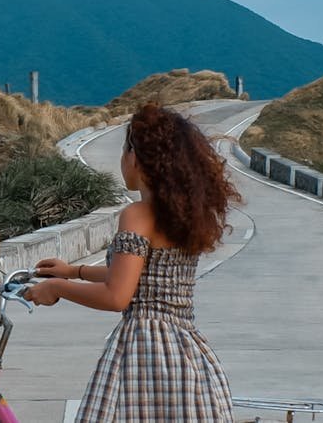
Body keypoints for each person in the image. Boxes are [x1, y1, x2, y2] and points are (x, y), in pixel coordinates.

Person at [23, 102, 241, 421]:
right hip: (184, 351)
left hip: (146, 352)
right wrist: (75, 271)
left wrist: (58, 287)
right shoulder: (185, 216)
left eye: (125, 149)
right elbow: (142, 276)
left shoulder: (137, 215)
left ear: (137, 158)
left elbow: (117, 296)